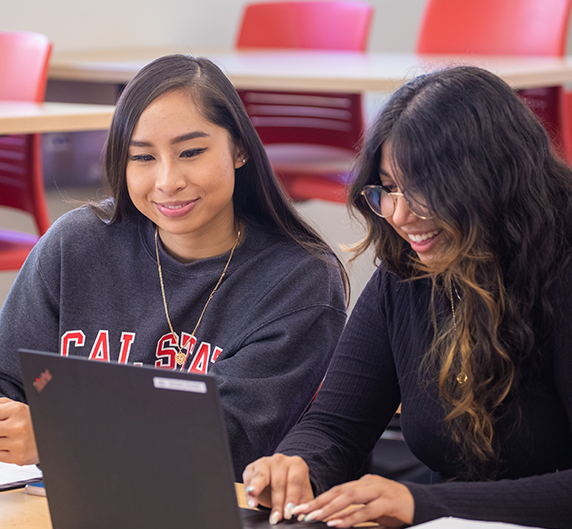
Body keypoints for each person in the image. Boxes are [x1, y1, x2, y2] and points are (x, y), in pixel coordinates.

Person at [243, 66, 572, 529]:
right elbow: (335, 426)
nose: (399, 214)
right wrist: (297, 465)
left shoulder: (562, 271)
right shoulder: (409, 273)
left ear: (492, 179)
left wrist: (420, 505)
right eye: (389, 189)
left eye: (422, 189)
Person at [0, 54, 347, 478]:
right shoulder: (76, 245)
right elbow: (9, 379)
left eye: (191, 152)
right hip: (61, 500)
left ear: (239, 148)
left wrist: (60, 434)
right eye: (143, 158)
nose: (168, 181)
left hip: (209, 517)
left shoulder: (299, 281)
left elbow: (235, 440)